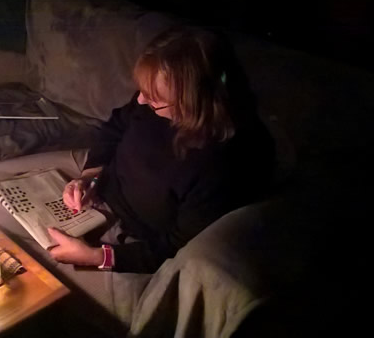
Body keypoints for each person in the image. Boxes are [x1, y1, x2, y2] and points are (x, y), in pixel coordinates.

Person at [49, 25, 275, 273]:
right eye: (144, 91)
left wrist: (96, 257)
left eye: (154, 98)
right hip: (98, 194)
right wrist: (89, 175)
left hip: (133, 240)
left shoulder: (223, 164)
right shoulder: (152, 100)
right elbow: (116, 127)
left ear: (193, 102)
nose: (140, 101)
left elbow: (178, 246)